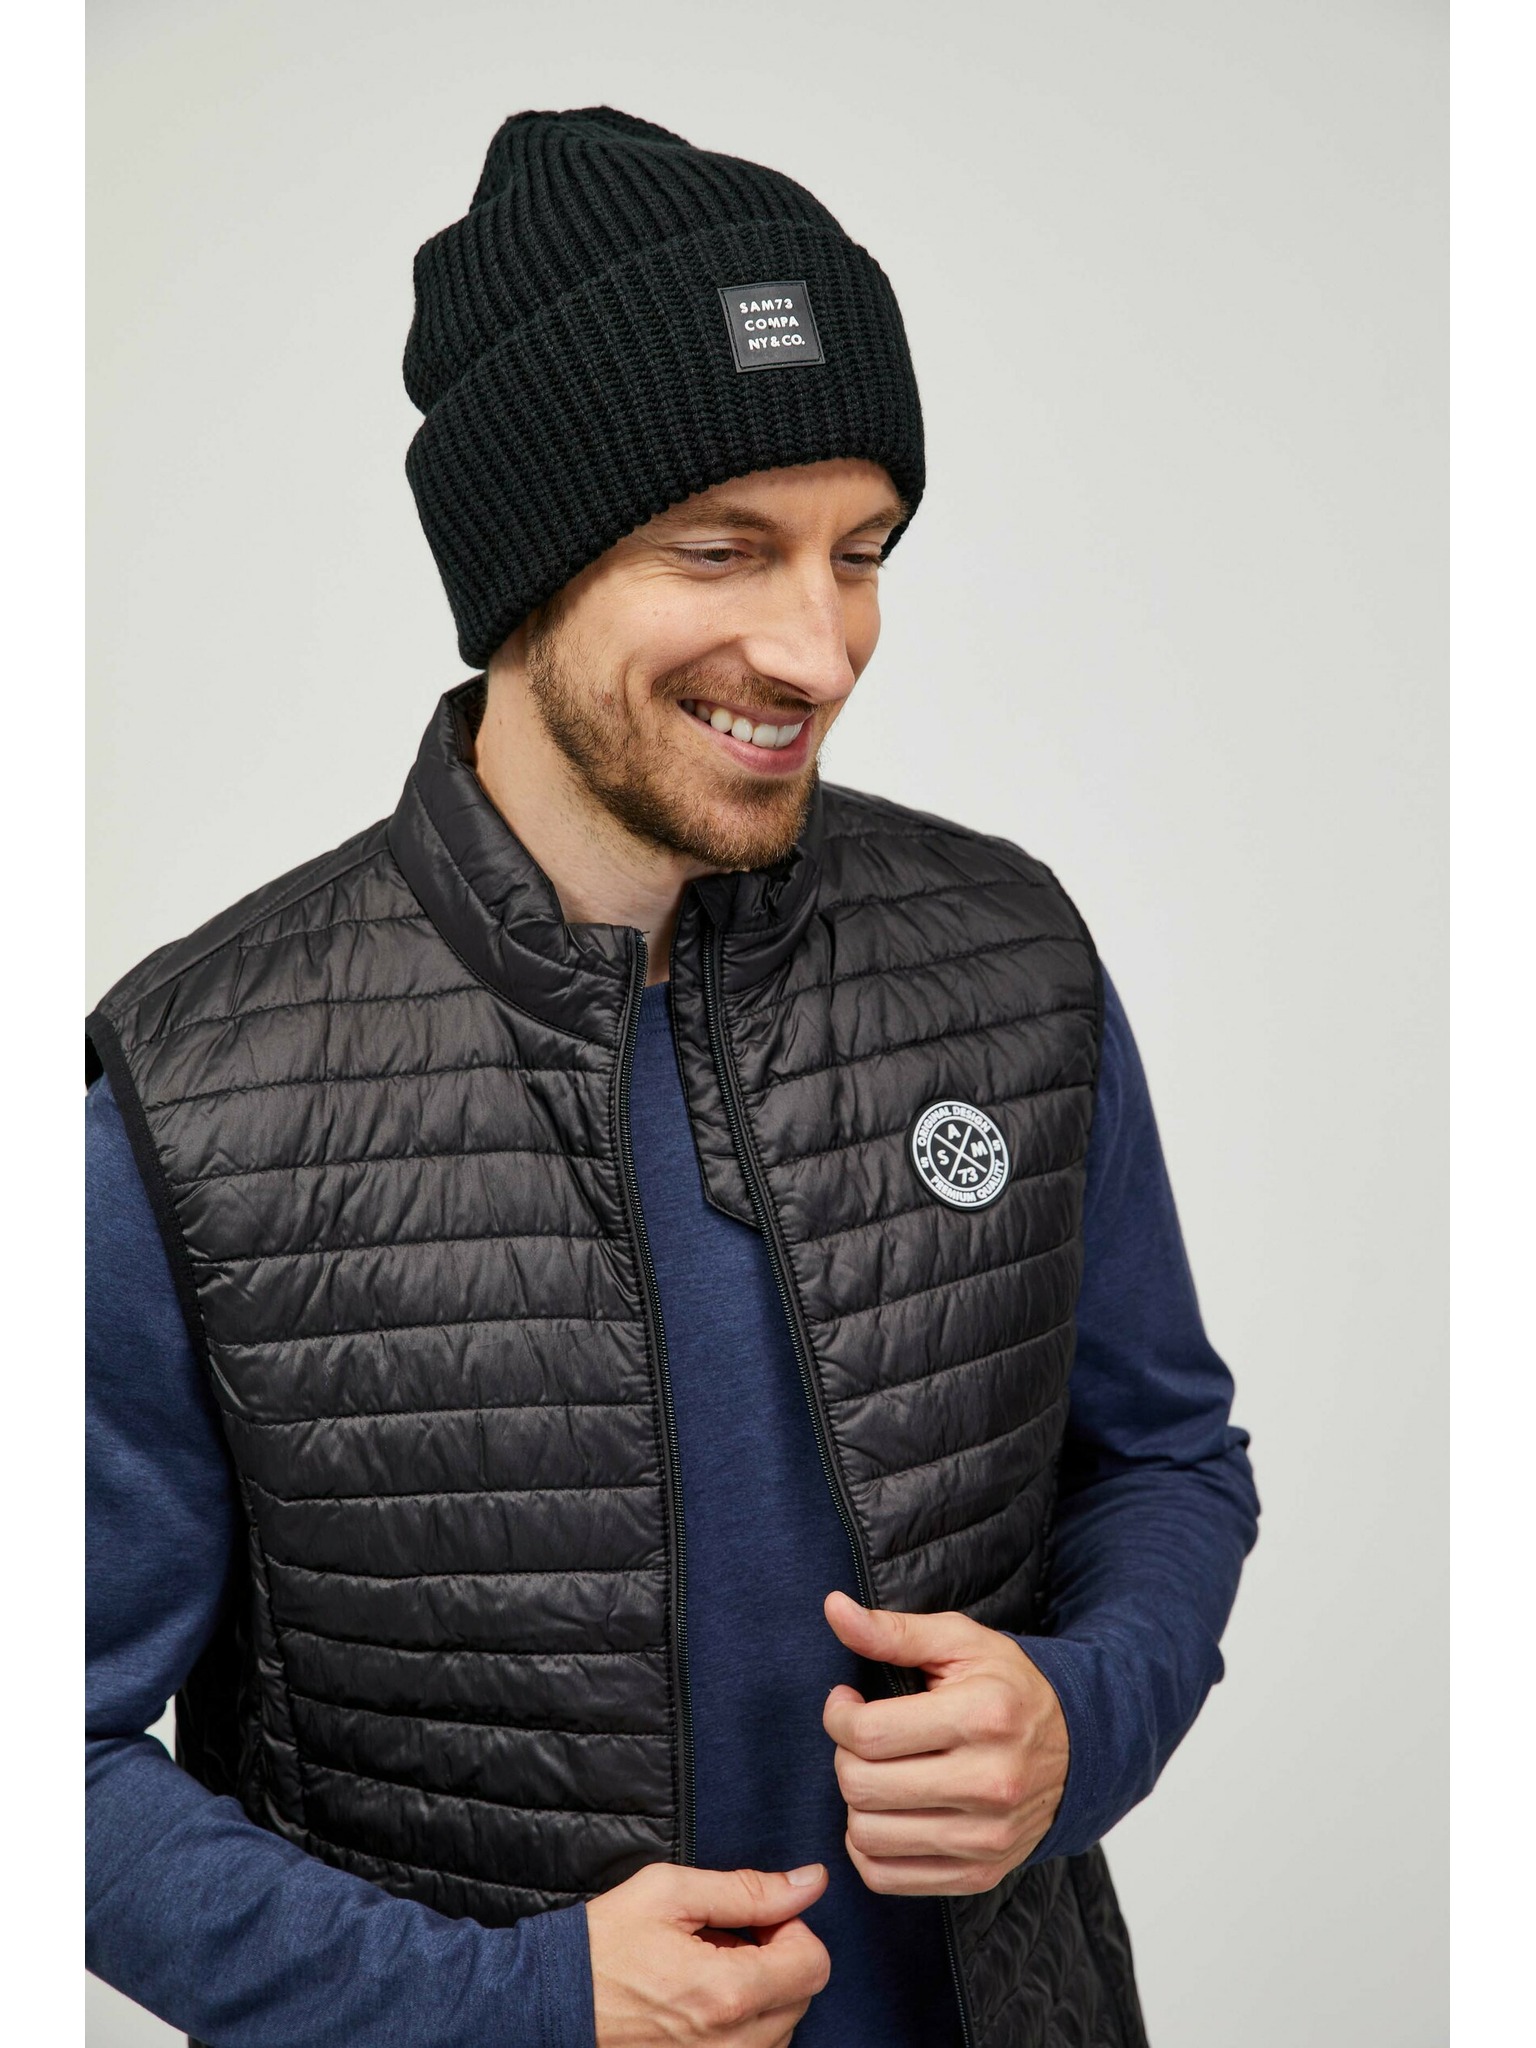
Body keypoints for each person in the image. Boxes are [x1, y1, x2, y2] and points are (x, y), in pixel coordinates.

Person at [86, 106, 1259, 2048]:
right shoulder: (198, 1094)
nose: (819, 648)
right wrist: (520, 2002)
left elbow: (1163, 1459)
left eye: (860, 555)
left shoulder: (1007, 957)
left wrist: (1087, 1710)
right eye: (723, 550)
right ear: (525, 571)